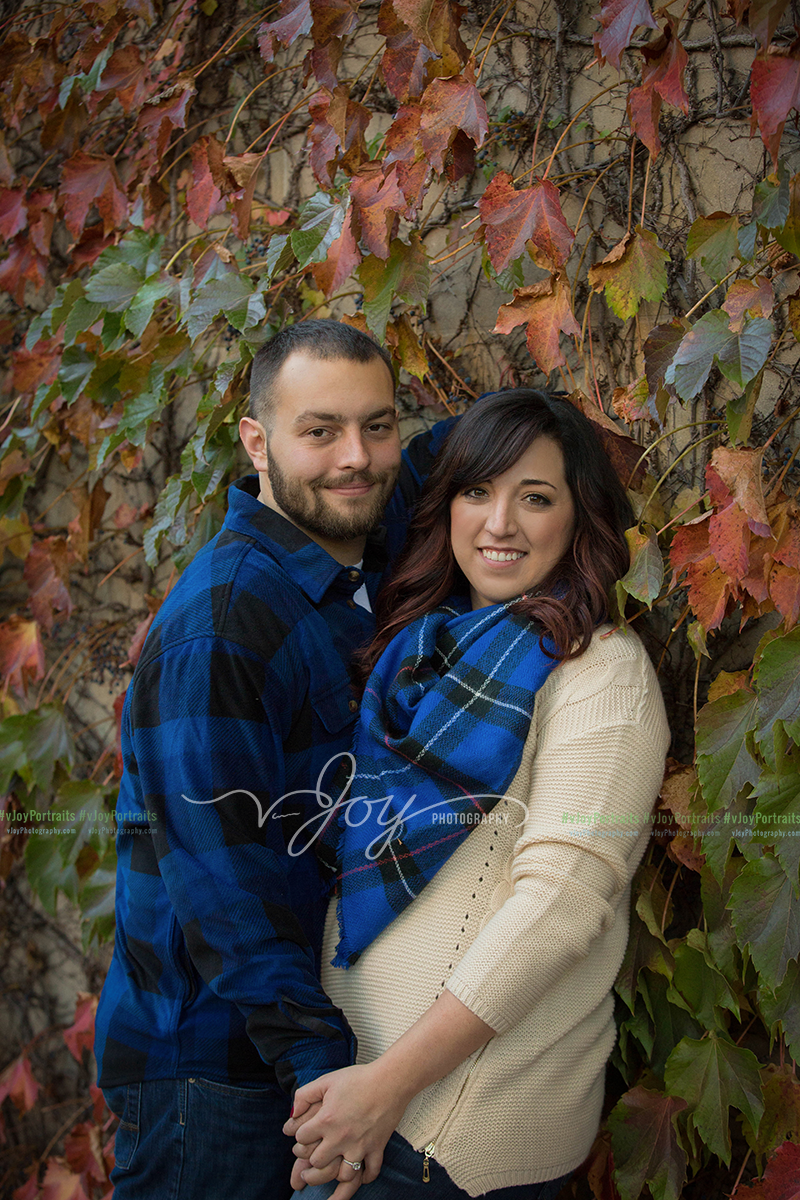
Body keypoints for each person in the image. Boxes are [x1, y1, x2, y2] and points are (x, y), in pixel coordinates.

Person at [283, 388, 671, 1200]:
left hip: (451, 1129)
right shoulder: (422, 652)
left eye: (535, 498)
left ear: (579, 519)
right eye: (477, 490)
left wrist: (388, 1086)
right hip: (360, 1096)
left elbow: (559, 905)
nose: (499, 523)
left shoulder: (600, 672)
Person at [94, 319, 450, 1200]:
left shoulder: (350, 562)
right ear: (257, 441)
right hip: (216, 1077)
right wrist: (325, 1075)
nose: (355, 458)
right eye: (319, 430)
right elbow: (227, 896)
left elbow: (458, 461)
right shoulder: (223, 627)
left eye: (377, 426)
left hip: (286, 1050)